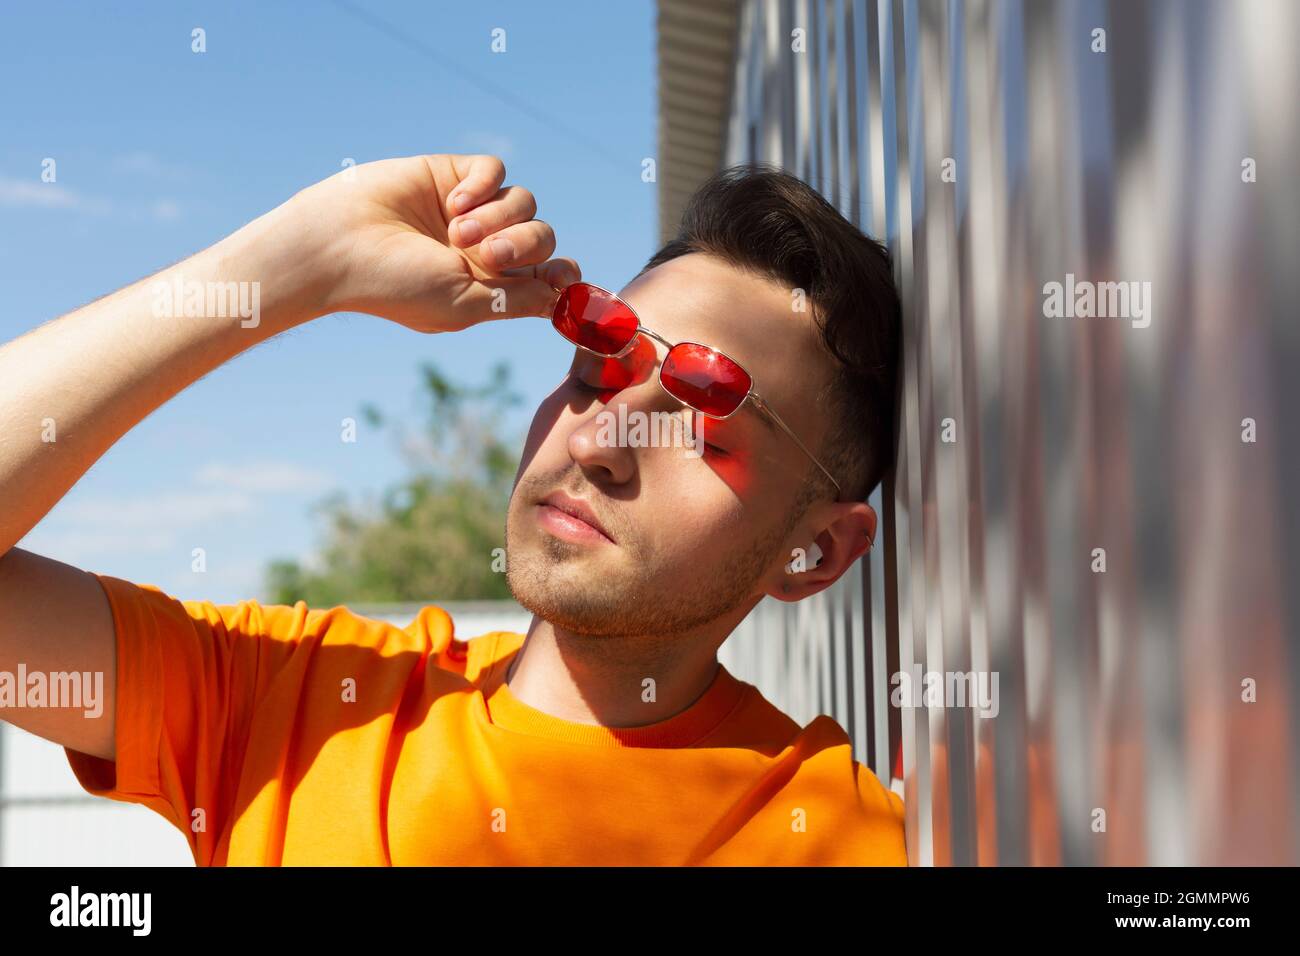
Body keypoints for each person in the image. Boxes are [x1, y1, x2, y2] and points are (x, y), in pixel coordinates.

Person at [0, 153, 905, 865]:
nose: (594, 443)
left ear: (817, 551)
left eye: (703, 428)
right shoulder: (298, 703)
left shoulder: (836, 836)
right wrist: (296, 265)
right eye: (595, 367)